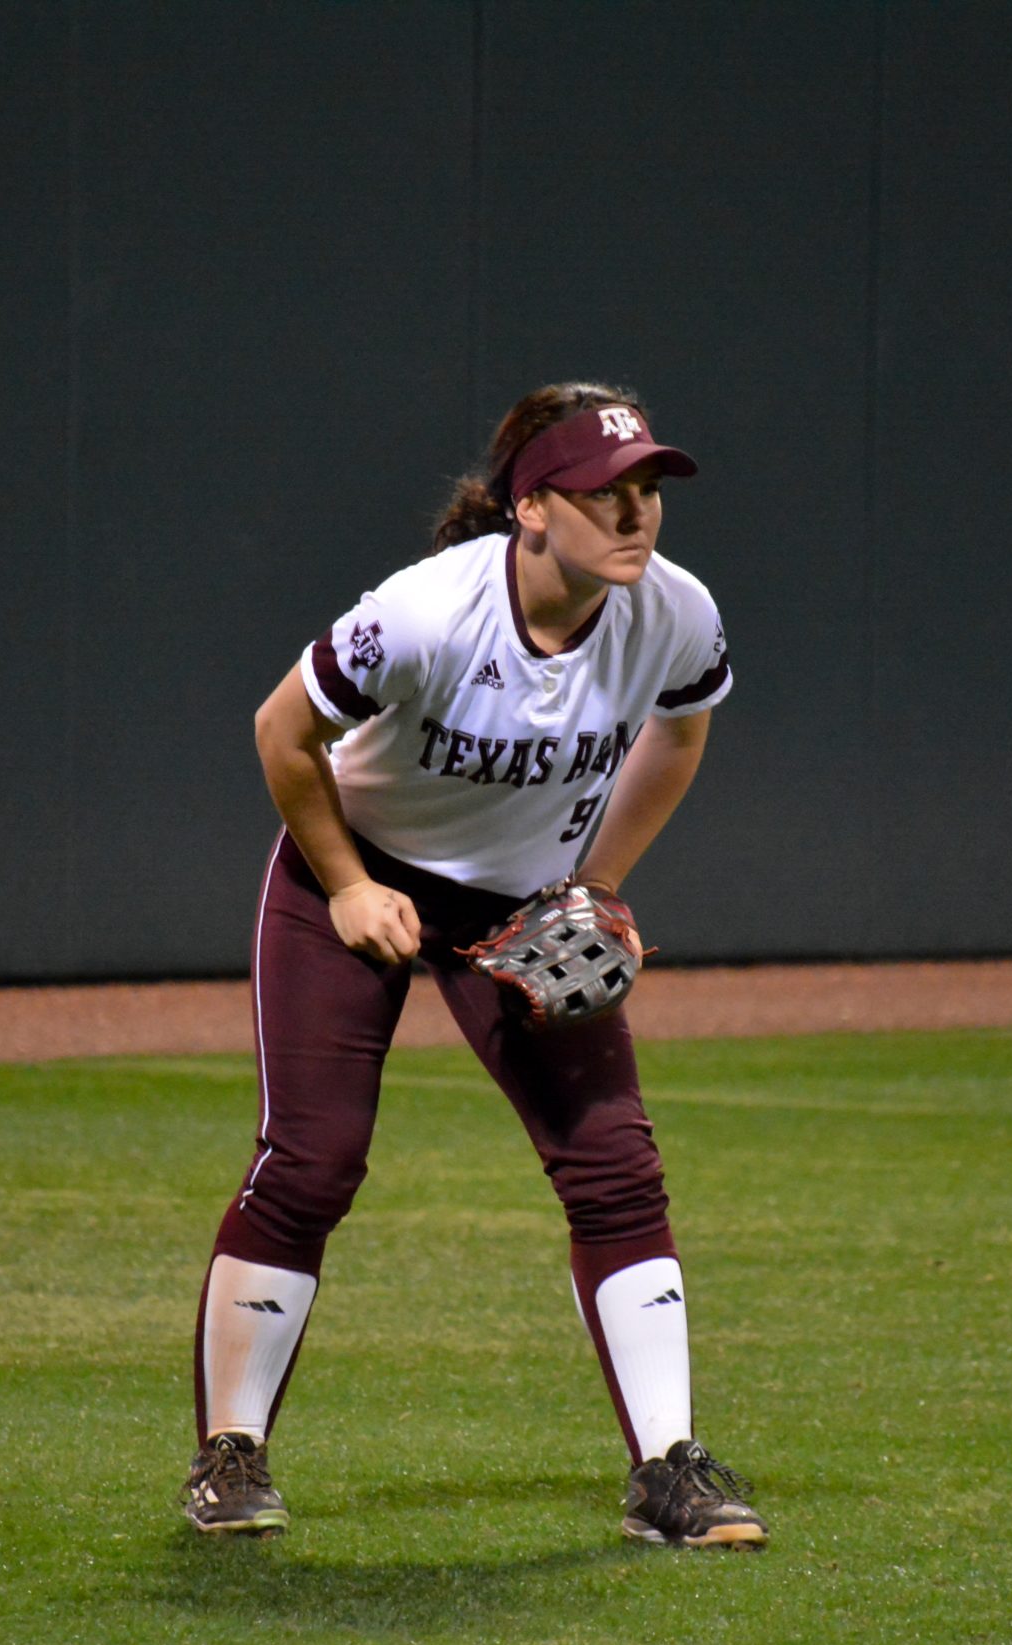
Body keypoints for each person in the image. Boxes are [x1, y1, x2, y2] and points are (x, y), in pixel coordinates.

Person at [182, 382, 765, 1549]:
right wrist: (347, 883)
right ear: (533, 507)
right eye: (608, 494)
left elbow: (682, 733)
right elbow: (279, 733)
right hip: (353, 871)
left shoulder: (674, 613)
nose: (637, 514)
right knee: (313, 1160)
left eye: (649, 490)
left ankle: (667, 1470)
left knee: (614, 1168)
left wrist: (595, 882)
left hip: (521, 901)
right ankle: (229, 1457)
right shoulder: (426, 614)